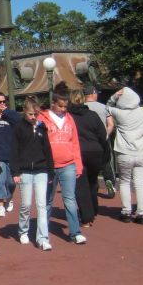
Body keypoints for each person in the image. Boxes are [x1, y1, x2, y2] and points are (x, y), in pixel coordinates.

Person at [38, 89, 86, 244]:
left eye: (66, 106)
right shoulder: (42, 118)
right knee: (47, 200)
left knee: (70, 199)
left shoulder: (69, 118)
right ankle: (43, 234)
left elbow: (75, 143)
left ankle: (75, 232)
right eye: (60, 106)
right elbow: (37, 142)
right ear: (53, 103)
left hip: (68, 164)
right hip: (48, 166)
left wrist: (78, 164)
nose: (63, 109)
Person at [10, 98, 54, 250]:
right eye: (30, 114)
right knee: (26, 204)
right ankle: (23, 230)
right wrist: (15, 171)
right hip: (25, 171)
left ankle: (43, 238)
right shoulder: (19, 128)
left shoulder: (42, 127)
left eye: (36, 114)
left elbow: (47, 150)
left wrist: (50, 171)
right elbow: (14, 150)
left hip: (41, 170)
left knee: (41, 205)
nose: (33, 117)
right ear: (24, 112)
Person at [106, 86, 143, 223]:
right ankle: (142, 212)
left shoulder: (118, 113)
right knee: (140, 183)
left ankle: (126, 211)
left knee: (124, 181)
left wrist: (114, 97)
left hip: (124, 152)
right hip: (141, 152)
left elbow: (107, 107)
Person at [68, 90, 107, 226]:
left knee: (81, 184)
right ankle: (93, 209)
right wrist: (105, 153)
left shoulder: (68, 117)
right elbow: (102, 135)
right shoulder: (92, 115)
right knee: (92, 182)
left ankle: (86, 216)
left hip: (78, 152)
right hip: (95, 151)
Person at [83, 83, 116, 196]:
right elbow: (111, 124)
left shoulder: (82, 108)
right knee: (107, 162)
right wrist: (106, 134)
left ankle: (93, 185)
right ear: (93, 93)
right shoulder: (104, 107)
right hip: (102, 139)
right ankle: (109, 182)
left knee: (90, 165)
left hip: (87, 141)